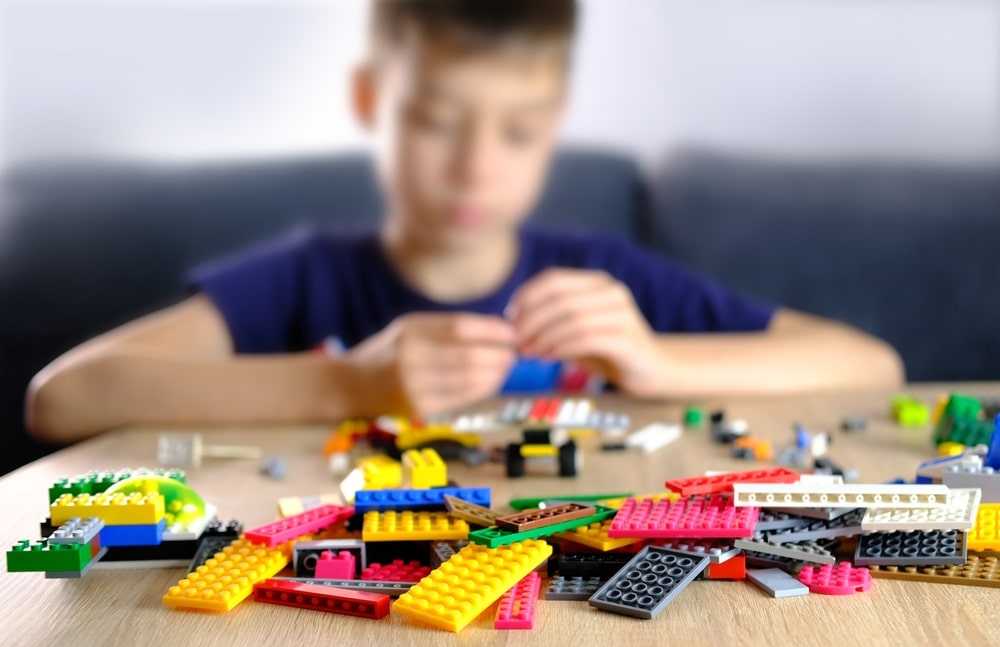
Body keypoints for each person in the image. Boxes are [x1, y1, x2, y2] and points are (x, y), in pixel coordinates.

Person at [25, 0, 903, 443]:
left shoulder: (609, 278)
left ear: (553, 124)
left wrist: (655, 358)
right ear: (374, 101)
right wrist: (351, 389)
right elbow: (63, 397)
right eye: (439, 121)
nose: (476, 165)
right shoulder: (307, 277)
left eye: (517, 131)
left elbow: (870, 366)